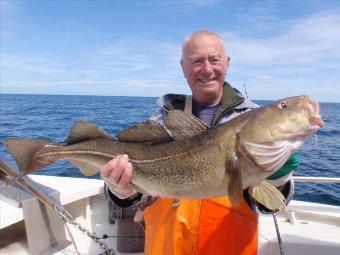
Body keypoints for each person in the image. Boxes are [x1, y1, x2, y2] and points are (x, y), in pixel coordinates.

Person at [100, 30, 299, 255]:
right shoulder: (160, 121)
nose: (207, 69)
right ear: (183, 67)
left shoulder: (256, 119)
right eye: (196, 61)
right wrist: (120, 191)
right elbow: (137, 193)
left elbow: (269, 205)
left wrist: (278, 178)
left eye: (214, 59)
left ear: (227, 63)